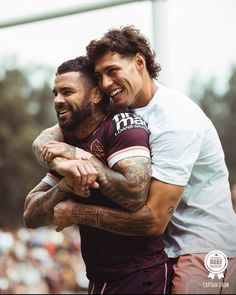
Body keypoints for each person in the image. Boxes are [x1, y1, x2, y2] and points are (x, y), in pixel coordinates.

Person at [33, 26, 236, 294]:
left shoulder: (176, 120)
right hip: (163, 249)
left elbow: (153, 221)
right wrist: (62, 161)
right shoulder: (119, 105)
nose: (105, 84)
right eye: (99, 76)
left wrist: (75, 212)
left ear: (139, 62)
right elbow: (45, 139)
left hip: (203, 245)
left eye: (112, 71)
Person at [24, 56, 173, 294]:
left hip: (140, 276)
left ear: (95, 95)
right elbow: (30, 216)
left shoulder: (122, 126)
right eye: (55, 93)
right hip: (99, 279)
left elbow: (134, 194)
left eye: (67, 92)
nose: (58, 101)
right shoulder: (70, 139)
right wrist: (66, 185)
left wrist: (85, 161)